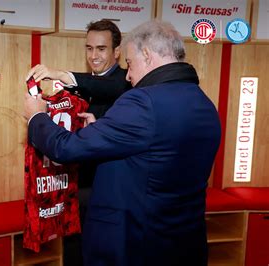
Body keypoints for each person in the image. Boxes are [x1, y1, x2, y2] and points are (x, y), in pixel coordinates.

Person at [24, 20, 221, 266]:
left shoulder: (142, 102)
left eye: (129, 63)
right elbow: (157, 154)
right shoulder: (205, 103)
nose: (128, 75)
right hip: (183, 244)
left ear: (147, 55)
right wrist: (101, 131)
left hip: (136, 246)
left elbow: (66, 148)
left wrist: (36, 116)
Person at [27, 19, 131, 266]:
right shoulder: (79, 85)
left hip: (106, 186)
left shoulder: (126, 82)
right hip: (75, 181)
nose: (94, 55)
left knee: (100, 252)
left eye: (101, 49)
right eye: (89, 48)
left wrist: (63, 75)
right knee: (74, 248)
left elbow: (110, 88)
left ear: (117, 52)